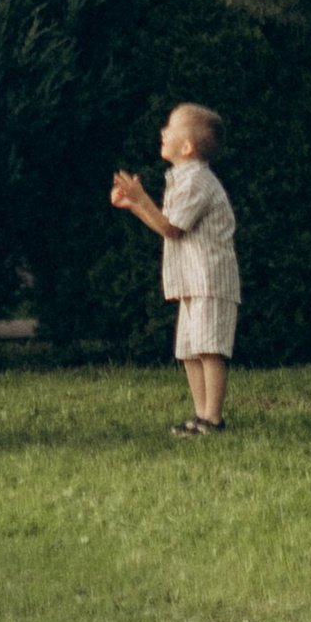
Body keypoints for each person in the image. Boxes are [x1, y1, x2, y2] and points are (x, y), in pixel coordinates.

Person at [110, 102, 238, 435]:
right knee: (190, 350)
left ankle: (214, 418)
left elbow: (171, 228)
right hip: (192, 281)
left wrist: (141, 200)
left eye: (170, 127)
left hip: (210, 280)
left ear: (188, 147)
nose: (162, 131)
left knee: (209, 348)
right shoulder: (182, 178)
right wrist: (135, 205)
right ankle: (200, 416)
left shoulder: (197, 181)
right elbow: (166, 223)